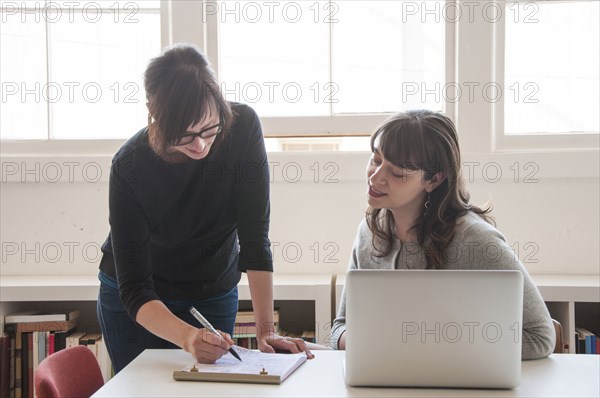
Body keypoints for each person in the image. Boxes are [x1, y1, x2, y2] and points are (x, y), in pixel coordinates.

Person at [97, 44, 312, 373]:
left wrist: (266, 331)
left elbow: (255, 238)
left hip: (212, 288)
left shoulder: (242, 129)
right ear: (154, 115)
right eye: (183, 135)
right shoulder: (129, 165)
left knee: (213, 386)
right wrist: (186, 337)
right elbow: (135, 288)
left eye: (209, 128)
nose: (199, 145)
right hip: (139, 302)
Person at [329, 110, 555, 360]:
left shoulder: (476, 241)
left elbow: (540, 336)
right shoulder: (369, 233)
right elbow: (340, 326)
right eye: (376, 159)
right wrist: (365, 340)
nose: (375, 176)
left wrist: (432, 347)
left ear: (434, 180)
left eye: (396, 173)